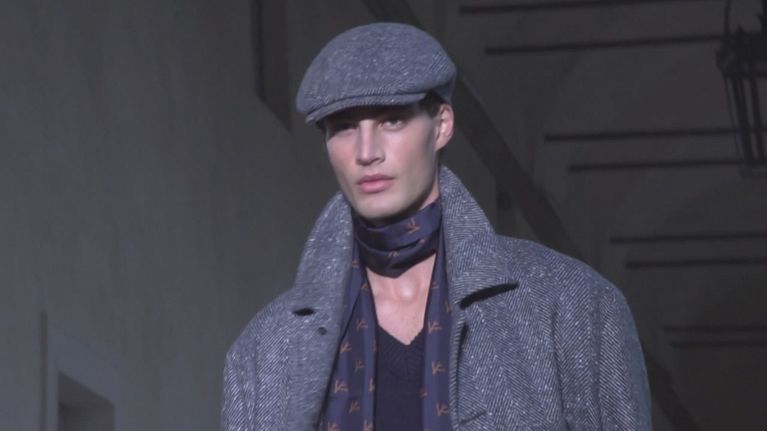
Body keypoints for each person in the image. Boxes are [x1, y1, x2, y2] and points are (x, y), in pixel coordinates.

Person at [221, 22, 651, 431]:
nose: (366, 152)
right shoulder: (265, 350)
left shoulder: (569, 304)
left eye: (391, 120)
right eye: (344, 127)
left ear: (442, 125)